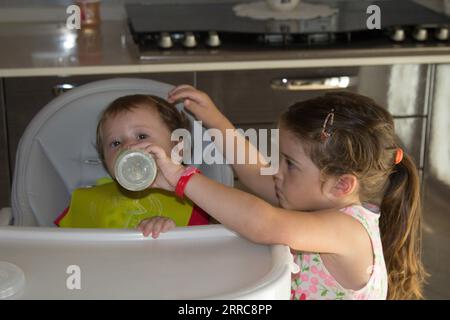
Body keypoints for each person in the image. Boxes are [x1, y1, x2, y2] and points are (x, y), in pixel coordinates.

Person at [138, 85, 426, 300]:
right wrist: (215, 120)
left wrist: (182, 178)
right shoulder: (312, 199)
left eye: (290, 164)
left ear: (341, 185)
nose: (276, 171)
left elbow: (262, 223)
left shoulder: (347, 230)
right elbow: (254, 171)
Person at [54, 94, 210, 237]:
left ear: (178, 147)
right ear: (105, 159)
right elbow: (58, 246)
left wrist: (171, 231)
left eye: (141, 136)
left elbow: (205, 247)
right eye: (115, 143)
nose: (128, 147)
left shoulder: (195, 195)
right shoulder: (89, 199)